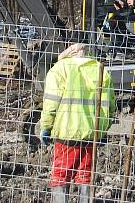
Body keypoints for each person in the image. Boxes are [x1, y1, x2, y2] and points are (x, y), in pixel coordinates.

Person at [39, 43, 115, 203]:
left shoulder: (59, 69)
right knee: (85, 174)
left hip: (66, 134)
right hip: (91, 133)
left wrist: (46, 126)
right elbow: (110, 105)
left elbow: (51, 104)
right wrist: (102, 128)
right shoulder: (100, 70)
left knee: (61, 173)